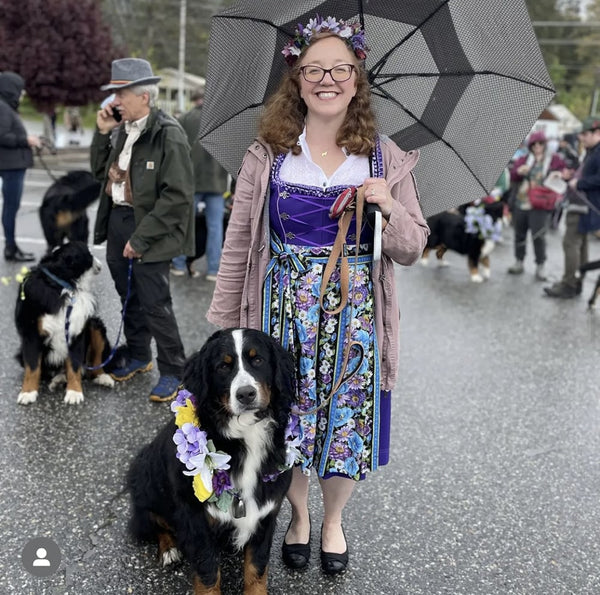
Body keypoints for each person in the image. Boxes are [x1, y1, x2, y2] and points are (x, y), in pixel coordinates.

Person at [206, 16, 429, 574]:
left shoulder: (385, 158)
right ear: (296, 79)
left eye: (339, 69)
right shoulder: (270, 152)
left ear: (357, 80)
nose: (326, 79)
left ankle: (333, 521)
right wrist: (222, 325)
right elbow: (239, 242)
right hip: (280, 313)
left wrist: (389, 205)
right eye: (313, 70)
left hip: (354, 318)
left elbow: (412, 247)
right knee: (289, 421)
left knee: (345, 424)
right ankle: (299, 515)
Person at [91, 58, 195, 402]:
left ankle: (173, 370)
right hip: (120, 220)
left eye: (122, 93)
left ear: (145, 97)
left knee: (155, 303)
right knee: (128, 296)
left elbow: (177, 197)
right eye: (115, 93)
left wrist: (141, 237)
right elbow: (98, 173)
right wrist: (102, 132)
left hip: (151, 227)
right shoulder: (122, 129)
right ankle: (139, 356)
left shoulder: (168, 133)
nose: (115, 101)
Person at [171, 88, 229, 280]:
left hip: (190, 182)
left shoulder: (184, 120)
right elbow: (235, 154)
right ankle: (213, 270)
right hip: (217, 183)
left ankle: (178, 264)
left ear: (193, 99)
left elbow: (175, 151)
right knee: (215, 227)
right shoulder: (223, 120)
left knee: (185, 225)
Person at [545, 117, 600, 298]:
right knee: (581, 245)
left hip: (585, 205)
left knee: (570, 243)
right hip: (583, 205)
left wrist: (580, 182)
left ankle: (569, 283)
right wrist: (570, 176)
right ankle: (577, 282)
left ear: (597, 133)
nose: (581, 138)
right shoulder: (592, 151)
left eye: (585, 134)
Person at [507, 130, 568, 281]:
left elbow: (565, 171)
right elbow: (513, 174)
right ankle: (519, 261)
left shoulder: (553, 159)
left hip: (541, 204)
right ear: (530, 145)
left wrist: (558, 174)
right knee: (519, 234)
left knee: (538, 236)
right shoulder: (524, 159)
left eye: (541, 143)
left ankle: (540, 265)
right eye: (534, 144)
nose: (537, 146)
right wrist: (519, 171)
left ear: (545, 144)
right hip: (522, 202)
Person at [0, 71, 41, 262]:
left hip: (13, 165)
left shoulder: (6, 107)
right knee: (11, 207)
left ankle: (12, 246)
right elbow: (2, 136)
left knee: (11, 207)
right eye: (20, 89)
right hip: (11, 166)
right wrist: (26, 140)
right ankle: (11, 248)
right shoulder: (3, 108)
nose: (22, 93)